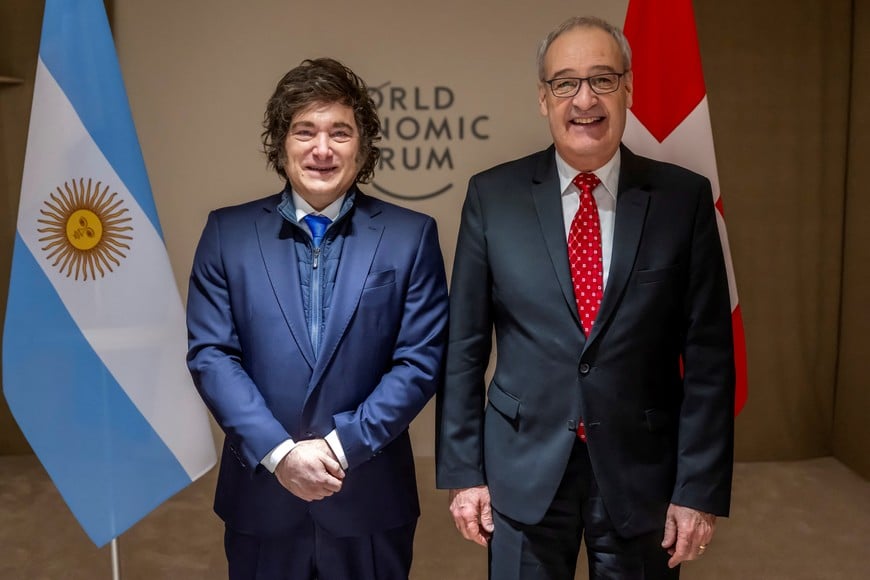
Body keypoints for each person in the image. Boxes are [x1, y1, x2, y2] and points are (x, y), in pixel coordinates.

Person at [435, 16, 735, 580]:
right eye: (565, 83)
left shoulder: (683, 200)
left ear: (629, 89)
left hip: (641, 470)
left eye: (602, 79)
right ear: (543, 99)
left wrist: (697, 489)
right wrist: (464, 473)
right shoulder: (492, 196)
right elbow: (464, 349)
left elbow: (711, 360)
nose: (585, 99)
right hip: (521, 468)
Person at [187, 57, 448, 580]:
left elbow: (419, 361)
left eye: (340, 133)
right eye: (305, 131)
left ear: (364, 146)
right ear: (281, 143)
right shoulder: (226, 234)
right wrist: (281, 454)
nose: (322, 149)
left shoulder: (411, 235)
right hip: (262, 500)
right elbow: (212, 355)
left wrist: (337, 448)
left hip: (368, 499)